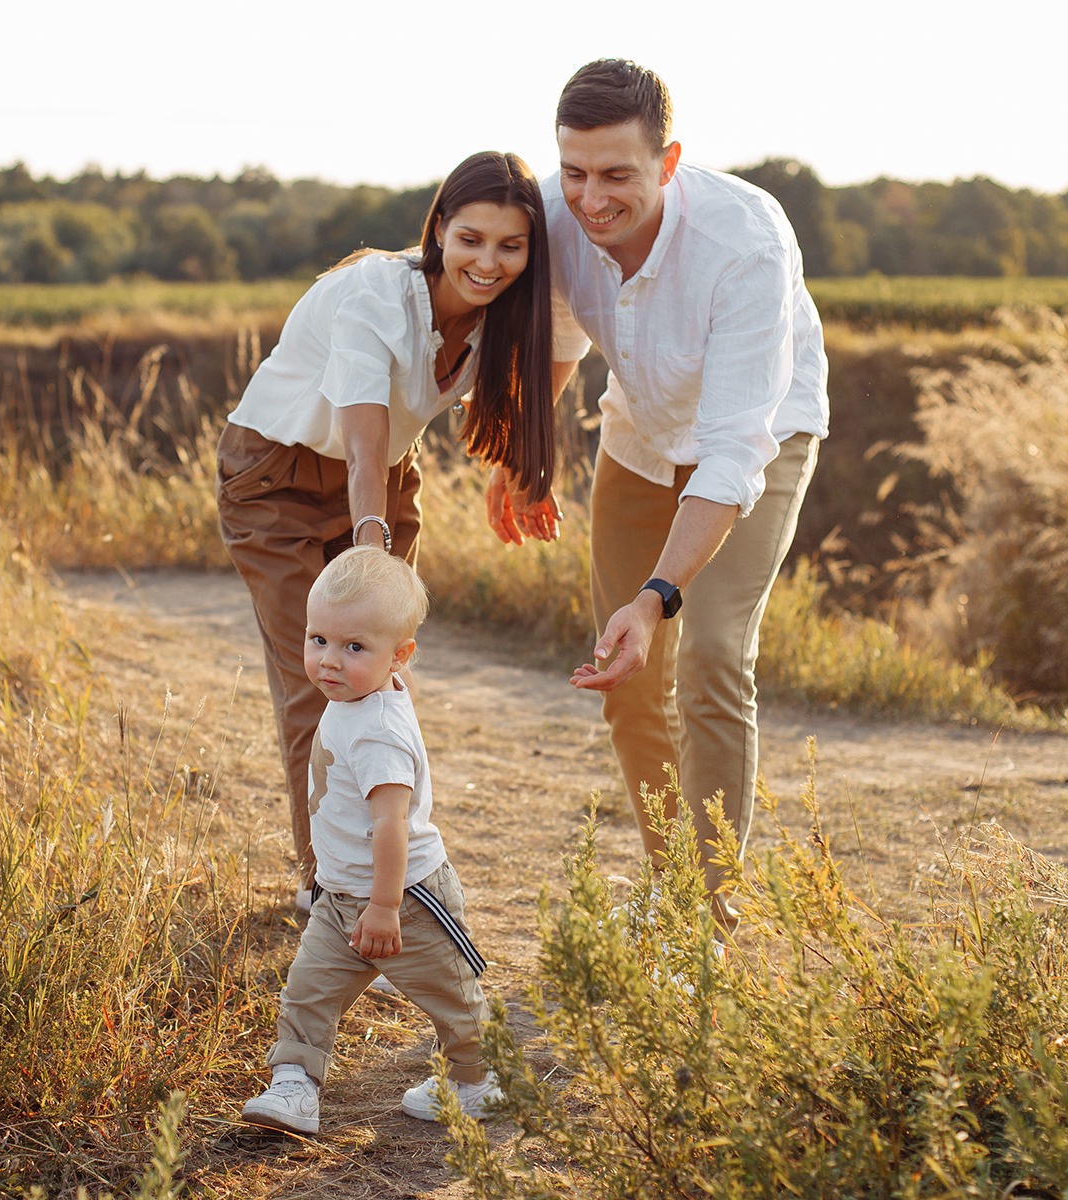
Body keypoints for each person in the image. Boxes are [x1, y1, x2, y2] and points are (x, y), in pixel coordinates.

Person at [488, 59, 829, 926]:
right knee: (625, 677)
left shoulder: (745, 241)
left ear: (668, 162)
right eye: (573, 173)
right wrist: (522, 455)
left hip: (758, 440)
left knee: (711, 656)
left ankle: (704, 926)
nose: (589, 198)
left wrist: (656, 596)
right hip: (640, 435)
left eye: (616, 175)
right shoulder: (561, 221)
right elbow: (564, 335)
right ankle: (675, 888)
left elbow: (730, 452)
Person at [218, 150, 557, 910]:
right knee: (327, 677)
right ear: (438, 228)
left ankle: (390, 858)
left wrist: (520, 464)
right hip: (276, 478)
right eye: (470, 239)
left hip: (385, 480)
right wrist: (368, 562)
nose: (489, 262)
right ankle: (329, 886)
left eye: (511, 246)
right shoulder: (375, 293)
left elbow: (551, 360)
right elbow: (363, 443)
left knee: (383, 679)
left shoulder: (511, 310)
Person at [240, 547, 500, 1134]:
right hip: (341, 898)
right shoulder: (355, 695)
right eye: (318, 639)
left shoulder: (379, 731)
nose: (330, 661)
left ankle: (478, 1080)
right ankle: (294, 1085)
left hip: (405, 898)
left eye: (355, 647)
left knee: (453, 999)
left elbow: (391, 826)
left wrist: (384, 908)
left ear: (399, 657)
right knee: (307, 990)